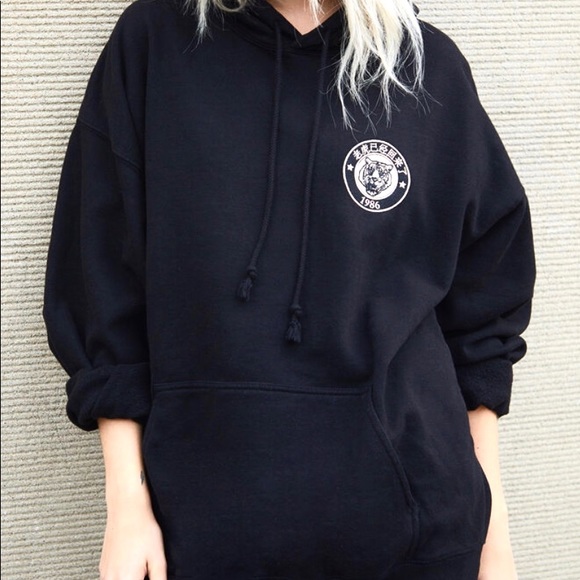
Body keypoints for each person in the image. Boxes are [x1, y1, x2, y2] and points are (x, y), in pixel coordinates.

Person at [42, 0, 536, 578]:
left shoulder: (427, 70)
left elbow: (480, 323)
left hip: (418, 535)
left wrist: (494, 536)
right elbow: (102, 281)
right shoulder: (156, 42)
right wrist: (127, 504)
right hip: (204, 536)